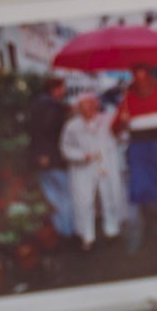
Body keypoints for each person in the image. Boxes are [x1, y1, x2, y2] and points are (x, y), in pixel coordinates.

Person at [111, 65, 157, 251]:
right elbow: (115, 129)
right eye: (137, 77)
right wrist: (123, 122)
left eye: (144, 76)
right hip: (139, 150)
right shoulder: (127, 99)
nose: (141, 81)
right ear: (134, 78)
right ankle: (150, 228)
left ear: (150, 77)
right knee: (142, 190)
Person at [59, 90, 124, 250]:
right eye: (84, 104)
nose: (88, 107)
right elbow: (65, 147)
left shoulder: (108, 119)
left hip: (105, 164)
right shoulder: (72, 125)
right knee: (84, 201)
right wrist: (81, 155)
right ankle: (87, 235)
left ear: (97, 104)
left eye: (91, 103)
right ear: (79, 107)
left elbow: (121, 137)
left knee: (109, 196)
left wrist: (122, 124)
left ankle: (112, 229)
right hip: (83, 167)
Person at [27, 75, 73, 239]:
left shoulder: (38, 104)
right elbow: (48, 131)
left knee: (52, 195)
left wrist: (39, 154)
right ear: (55, 89)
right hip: (54, 158)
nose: (64, 91)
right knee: (65, 195)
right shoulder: (52, 107)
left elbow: (34, 132)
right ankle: (68, 231)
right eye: (62, 87)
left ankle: (61, 230)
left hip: (42, 159)